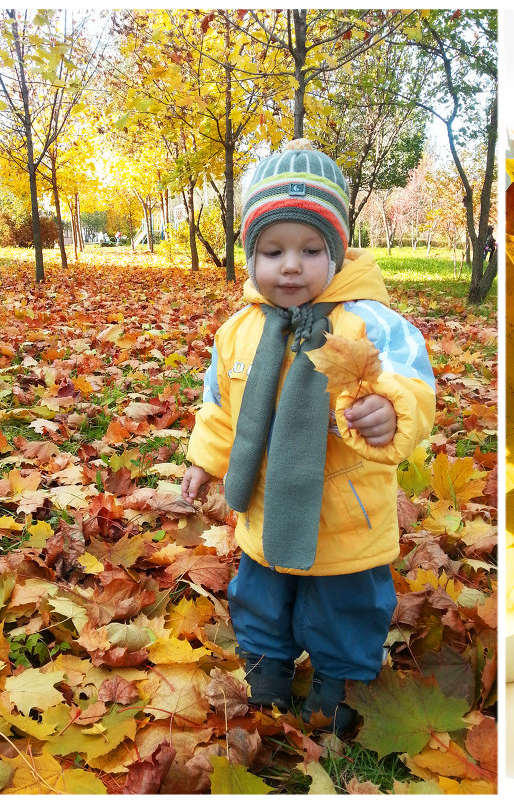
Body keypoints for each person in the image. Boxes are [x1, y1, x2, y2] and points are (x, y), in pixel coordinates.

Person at [180, 141, 436, 734]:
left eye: (309, 249)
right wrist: (204, 460)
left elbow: (414, 387)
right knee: (261, 589)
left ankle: (340, 677)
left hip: (345, 510)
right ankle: (267, 660)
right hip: (267, 504)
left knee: (343, 601)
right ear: (250, 255)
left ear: (338, 251)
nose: (290, 266)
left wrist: (390, 411)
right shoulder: (239, 332)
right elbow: (221, 405)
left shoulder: (371, 324)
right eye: (272, 251)